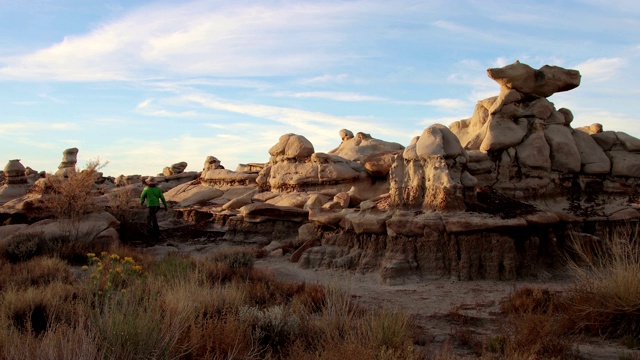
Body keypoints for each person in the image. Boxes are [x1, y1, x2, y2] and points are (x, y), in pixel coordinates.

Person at [140, 176, 167, 241]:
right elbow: (162, 198)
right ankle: (156, 234)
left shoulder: (146, 189)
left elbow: (142, 196)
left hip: (150, 206)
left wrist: (141, 202)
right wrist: (165, 206)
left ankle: (151, 234)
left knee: (150, 219)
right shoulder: (158, 189)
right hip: (157, 206)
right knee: (153, 218)